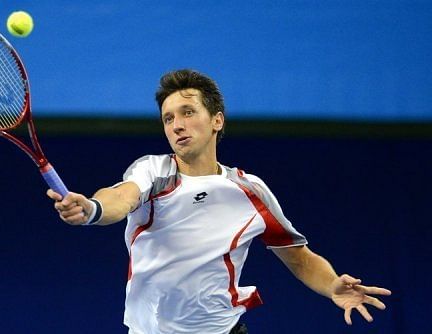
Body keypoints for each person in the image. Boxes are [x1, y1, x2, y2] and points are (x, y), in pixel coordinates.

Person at [47, 69, 391, 334]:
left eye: (187, 112)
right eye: (169, 118)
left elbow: (298, 256)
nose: (177, 125)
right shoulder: (152, 171)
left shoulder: (250, 190)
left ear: (217, 120)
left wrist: (331, 284)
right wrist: (92, 209)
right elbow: (121, 197)